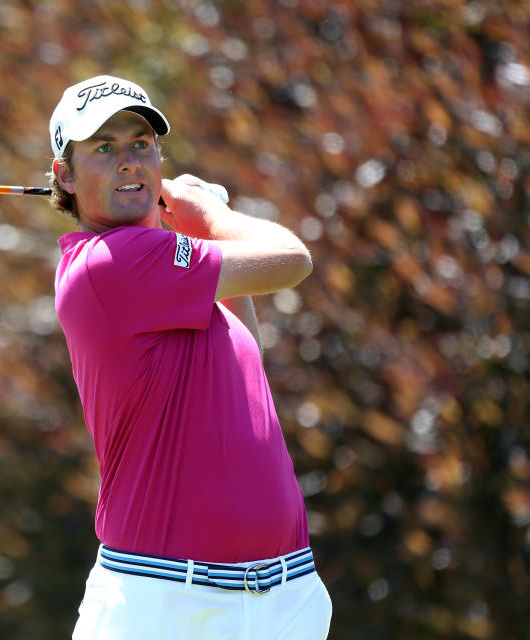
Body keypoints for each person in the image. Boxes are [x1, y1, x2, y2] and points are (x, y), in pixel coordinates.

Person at [48, 75, 331, 640]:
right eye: (103, 148)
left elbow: (245, 351)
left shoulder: (167, 270)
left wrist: (198, 231)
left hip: (282, 595)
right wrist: (206, 212)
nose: (129, 161)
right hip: (167, 602)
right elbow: (293, 258)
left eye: (141, 143)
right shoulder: (112, 261)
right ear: (65, 176)